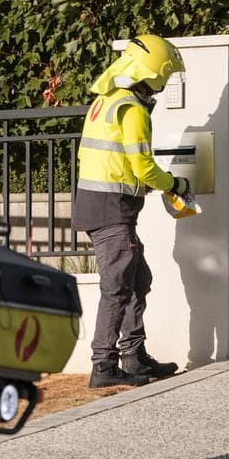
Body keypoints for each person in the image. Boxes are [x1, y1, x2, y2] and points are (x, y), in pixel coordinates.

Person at [73, 34, 190, 388]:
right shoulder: (132, 110)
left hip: (105, 205)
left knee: (139, 281)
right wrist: (174, 185)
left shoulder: (107, 101)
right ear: (151, 72)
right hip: (112, 209)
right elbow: (143, 167)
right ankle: (104, 367)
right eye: (164, 76)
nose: (164, 83)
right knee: (117, 288)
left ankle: (134, 357)